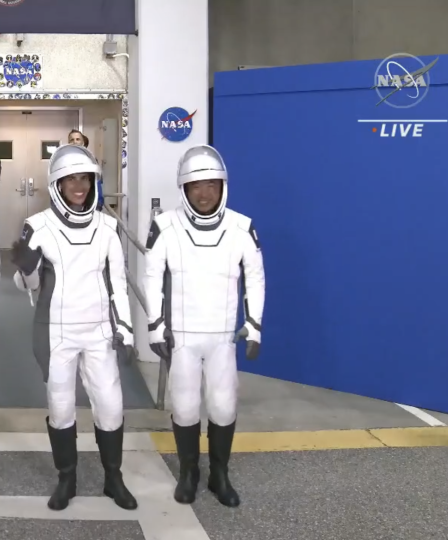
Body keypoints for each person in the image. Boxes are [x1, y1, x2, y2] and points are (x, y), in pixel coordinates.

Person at [9, 144, 137, 512]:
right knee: (61, 408)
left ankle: (114, 478)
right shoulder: (38, 226)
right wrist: (27, 268)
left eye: (85, 179)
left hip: (99, 331)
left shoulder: (108, 226)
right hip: (55, 331)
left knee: (111, 406)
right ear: (57, 185)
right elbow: (28, 288)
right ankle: (67, 477)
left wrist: (125, 330)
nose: (78, 186)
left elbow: (118, 283)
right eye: (70, 180)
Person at [142, 144, 265, 509]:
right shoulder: (165, 226)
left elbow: (255, 278)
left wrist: (254, 326)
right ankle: (188, 473)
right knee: (183, 407)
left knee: (224, 406)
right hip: (181, 337)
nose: (205, 192)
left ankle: (219, 474)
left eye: (212, 183)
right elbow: (151, 278)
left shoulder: (242, 227)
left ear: (223, 185)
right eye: (196, 185)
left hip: (223, 337)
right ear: (184, 188)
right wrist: (155, 326)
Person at [68, 129, 103, 210]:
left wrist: (99, 203)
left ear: (82, 142)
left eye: (77, 139)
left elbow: (97, 182)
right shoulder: (64, 160)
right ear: (68, 143)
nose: (75, 142)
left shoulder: (91, 159)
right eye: (72, 140)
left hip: (89, 203)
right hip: (70, 204)